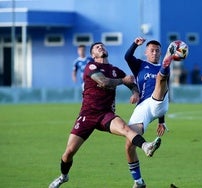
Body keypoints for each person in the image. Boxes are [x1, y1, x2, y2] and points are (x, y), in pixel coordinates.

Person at [49, 42, 161, 188]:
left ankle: (146, 146)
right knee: (68, 153)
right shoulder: (91, 66)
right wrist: (122, 81)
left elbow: (131, 84)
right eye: (97, 47)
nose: (101, 47)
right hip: (87, 115)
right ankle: (63, 177)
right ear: (93, 55)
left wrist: (135, 92)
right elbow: (104, 82)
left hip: (106, 115)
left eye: (102, 46)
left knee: (126, 129)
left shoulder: (114, 69)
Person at [124, 37, 175, 187]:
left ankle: (168, 58)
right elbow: (127, 57)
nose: (154, 53)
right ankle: (138, 181)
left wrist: (162, 120)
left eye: (157, 51)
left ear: (160, 53)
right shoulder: (140, 65)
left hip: (159, 102)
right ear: (146, 52)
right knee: (129, 143)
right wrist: (134, 44)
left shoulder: (162, 68)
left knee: (161, 78)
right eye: (151, 50)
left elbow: (165, 89)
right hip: (143, 107)